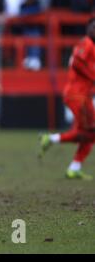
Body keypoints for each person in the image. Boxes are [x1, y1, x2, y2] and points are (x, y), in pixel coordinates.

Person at [39, 18, 95, 180]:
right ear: (89, 29)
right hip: (77, 95)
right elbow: (78, 62)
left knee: (87, 133)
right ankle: (52, 139)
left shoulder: (91, 46)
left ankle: (73, 167)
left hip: (83, 95)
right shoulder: (86, 43)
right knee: (90, 132)